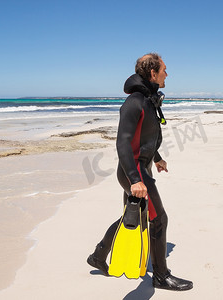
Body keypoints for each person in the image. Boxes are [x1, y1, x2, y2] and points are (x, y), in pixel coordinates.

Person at [87, 53, 193, 291]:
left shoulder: (149, 100)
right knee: (158, 219)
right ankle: (161, 276)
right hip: (133, 172)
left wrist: (156, 158)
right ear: (153, 73)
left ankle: (98, 256)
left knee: (131, 217)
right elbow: (123, 143)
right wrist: (135, 179)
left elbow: (144, 137)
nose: (168, 73)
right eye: (164, 69)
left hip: (141, 167)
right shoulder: (134, 102)